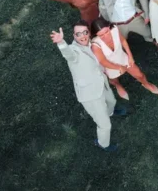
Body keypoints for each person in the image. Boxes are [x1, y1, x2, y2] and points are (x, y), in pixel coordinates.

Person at [50, 23, 126, 152]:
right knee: (105, 125)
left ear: (89, 33)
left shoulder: (92, 44)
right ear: (74, 36)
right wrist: (61, 42)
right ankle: (103, 144)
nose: (83, 36)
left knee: (112, 101)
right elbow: (68, 54)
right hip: (90, 94)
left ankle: (110, 112)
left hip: (102, 83)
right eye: (78, 34)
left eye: (85, 32)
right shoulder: (74, 51)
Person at [89, 17, 158, 100]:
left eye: (107, 32)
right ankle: (117, 85)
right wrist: (119, 67)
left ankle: (146, 84)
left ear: (109, 27)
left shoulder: (114, 29)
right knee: (114, 79)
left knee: (140, 75)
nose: (105, 36)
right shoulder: (95, 45)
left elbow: (123, 41)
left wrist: (130, 56)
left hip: (122, 58)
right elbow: (103, 62)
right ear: (96, 35)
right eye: (101, 35)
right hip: (109, 66)